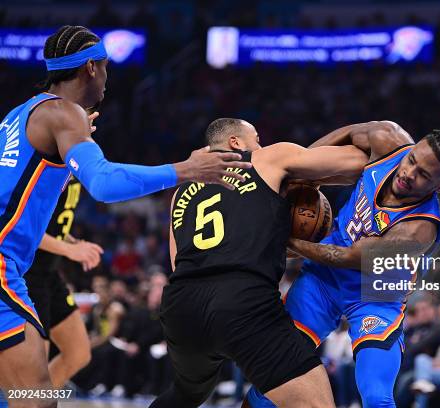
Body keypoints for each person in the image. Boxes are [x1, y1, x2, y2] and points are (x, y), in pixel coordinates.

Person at [0, 25, 252, 407]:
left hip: (12, 264)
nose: (106, 78)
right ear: (90, 68)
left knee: (22, 393)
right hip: (2, 265)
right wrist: (184, 169)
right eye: (105, 68)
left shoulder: (23, 113)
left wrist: (70, 146)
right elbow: (103, 184)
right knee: (35, 398)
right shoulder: (64, 115)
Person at [151, 118, 369, 408]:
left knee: (185, 394)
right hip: (241, 299)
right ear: (235, 143)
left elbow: (178, 261)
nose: (261, 145)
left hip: (182, 306)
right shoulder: (265, 158)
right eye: (256, 139)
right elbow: (356, 163)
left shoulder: (182, 189)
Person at [248, 121, 440, 408]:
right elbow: (348, 134)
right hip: (324, 279)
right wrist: (302, 173)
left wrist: (288, 242)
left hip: (374, 296)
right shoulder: (388, 140)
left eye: (423, 175)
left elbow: (350, 257)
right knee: (274, 372)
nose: (408, 173)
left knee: (376, 396)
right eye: (412, 160)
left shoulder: (420, 229)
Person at [25, 176, 102, 389]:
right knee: (35, 367)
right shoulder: (44, 169)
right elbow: (24, 226)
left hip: (49, 274)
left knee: (78, 352)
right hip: (26, 275)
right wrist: (71, 250)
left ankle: (36, 399)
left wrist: (75, 243)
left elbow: (52, 224)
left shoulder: (74, 168)